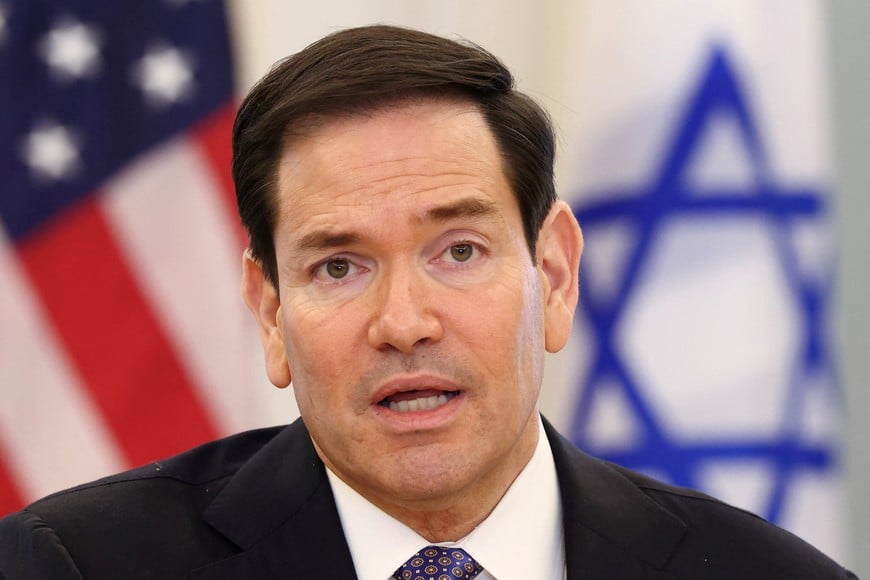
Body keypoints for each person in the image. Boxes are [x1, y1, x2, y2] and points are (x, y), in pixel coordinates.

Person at [0, 24, 857, 580]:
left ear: (553, 276)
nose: (404, 323)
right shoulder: (76, 566)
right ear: (269, 313)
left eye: (459, 251)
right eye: (339, 267)